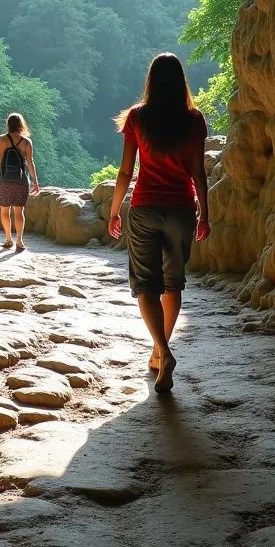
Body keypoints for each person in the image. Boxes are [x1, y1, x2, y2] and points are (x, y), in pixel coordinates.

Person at [107, 53, 210, 394]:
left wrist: (114, 209)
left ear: (151, 80)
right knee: (173, 283)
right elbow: (198, 173)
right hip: (181, 209)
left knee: (145, 284)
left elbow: (125, 171)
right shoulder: (194, 120)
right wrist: (204, 215)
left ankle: (163, 350)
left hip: (145, 206)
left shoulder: (138, 117)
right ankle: (159, 349)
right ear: (182, 81)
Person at [0, 113, 39, 253]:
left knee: (4, 210)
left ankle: (8, 239)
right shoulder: (26, 142)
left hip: (5, 179)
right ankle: (20, 241)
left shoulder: (2, 140)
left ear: (8, 124)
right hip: (21, 180)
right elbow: (30, 162)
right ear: (21, 124)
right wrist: (35, 181)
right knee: (19, 211)